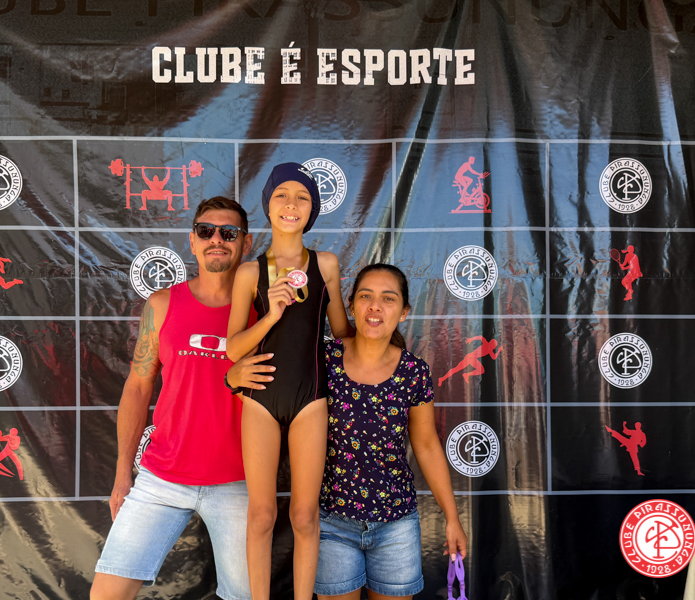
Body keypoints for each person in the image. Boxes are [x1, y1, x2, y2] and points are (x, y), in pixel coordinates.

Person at [229, 263, 468, 600]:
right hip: (332, 523)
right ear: (351, 306)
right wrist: (232, 378)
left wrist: (452, 518)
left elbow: (427, 445)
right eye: (366, 297)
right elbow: (272, 393)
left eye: (388, 299)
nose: (375, 307)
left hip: (396, 524)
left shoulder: (414, 371)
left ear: (404, 312)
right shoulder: (322, 361)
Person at [90, 197, 254, 600]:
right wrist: (122, 474)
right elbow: (138, 387)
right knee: (106, 594)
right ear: (193, 241)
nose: (217, 240)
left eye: (229, 232)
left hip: (240, 480)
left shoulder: (264, 311)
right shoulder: (163, 304)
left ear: (246, 243)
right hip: (162, 476)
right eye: (206, 231)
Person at [226, 163, 351, 600]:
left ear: (312, 209)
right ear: (268, 206)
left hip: (311, 399)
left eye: (302, 196)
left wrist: (381, 338)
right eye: (281, 195)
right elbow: (233, 348)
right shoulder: (249, 273)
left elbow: (343, 333)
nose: (291, 204)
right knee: (261, 515)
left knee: (304, 515)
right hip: (260, 398)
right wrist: (271, 315)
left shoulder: (326, 264)